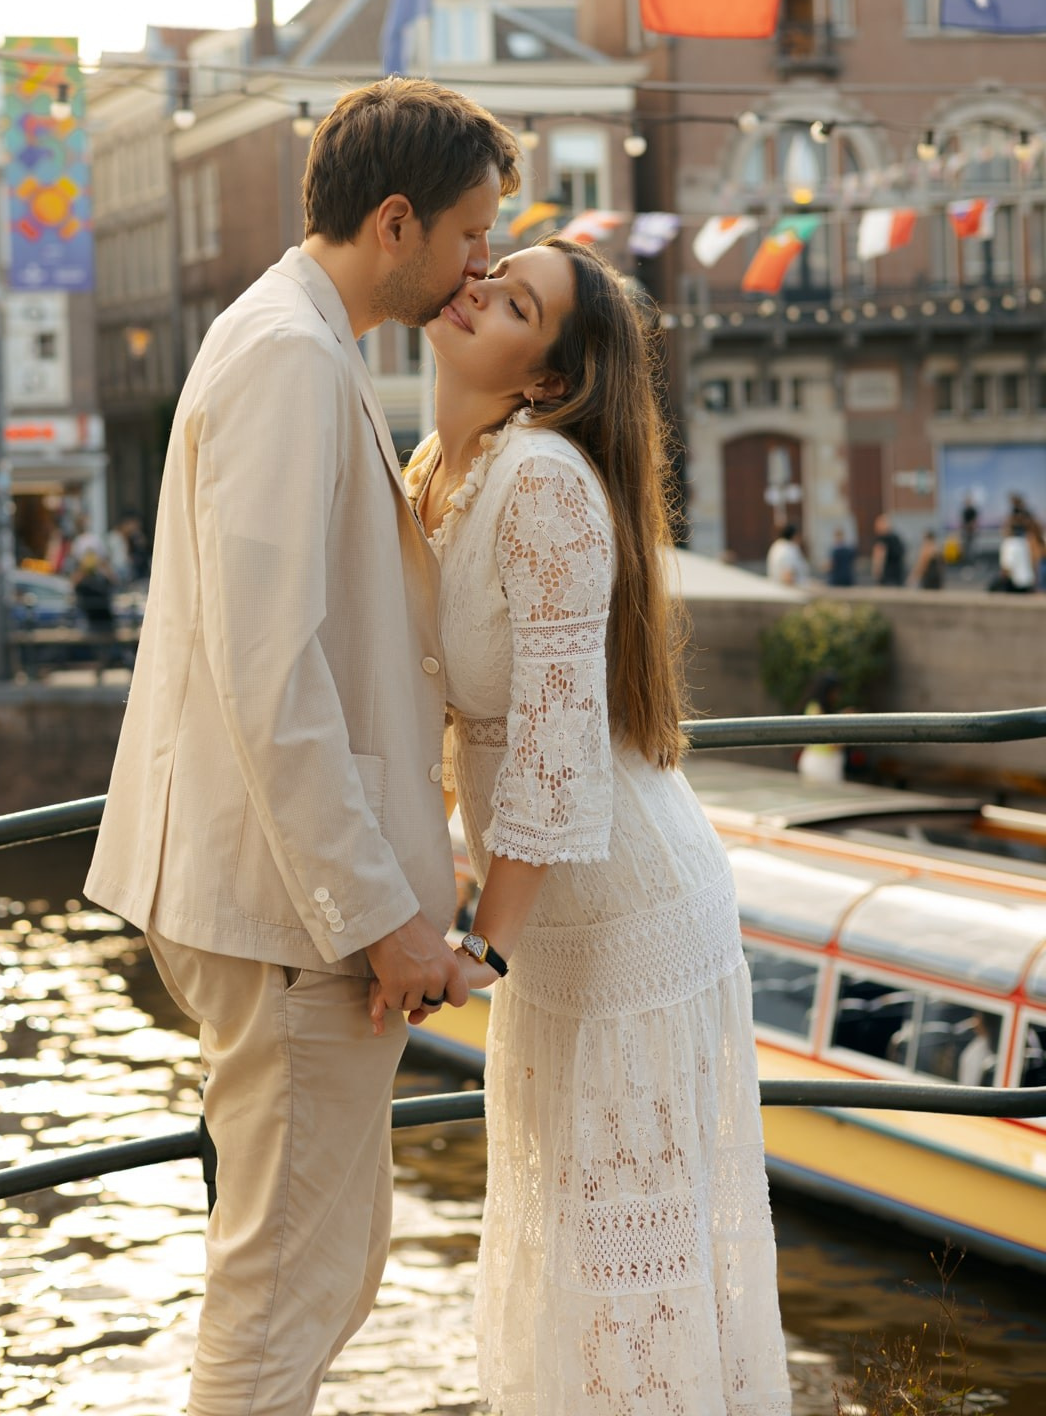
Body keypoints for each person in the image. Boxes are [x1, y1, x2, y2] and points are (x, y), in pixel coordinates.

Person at [85, 77, 521, 1416]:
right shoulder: (287, 355)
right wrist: (382, 917)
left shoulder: (296, 340)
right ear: (395, 223)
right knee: (287, 1292)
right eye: (467, 236)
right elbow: (273, 676)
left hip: (282, 904)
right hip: (289, 918)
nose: (479, 266)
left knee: (309, 1273)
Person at [392, 239, 791, 1415]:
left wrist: (481, 948)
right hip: (552, 914)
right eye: (490, 269)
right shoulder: (434, 468)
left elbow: (558, 749)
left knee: (627, 1266)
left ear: (545, 379)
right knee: (569, 1240)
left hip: (621, 914)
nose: (472, 289)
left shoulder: (544, 483)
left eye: (513, 302)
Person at [766, 521, 810, 587]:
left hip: (777, 588)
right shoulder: (788, 550)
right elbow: (788, 577)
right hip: (790, 592)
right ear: (795, 535)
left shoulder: (777, 545)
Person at [870, 513, 906, 587]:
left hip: (887, 577)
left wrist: (877, 575)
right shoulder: (896, 538)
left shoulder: (882, 539)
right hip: (898, 576)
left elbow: (878, 558)